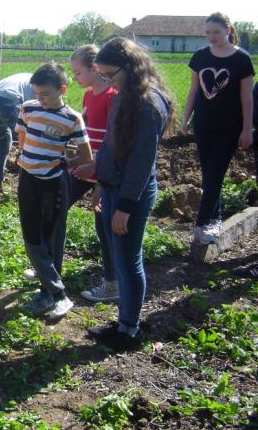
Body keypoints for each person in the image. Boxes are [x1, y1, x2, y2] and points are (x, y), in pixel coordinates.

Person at [74, 37, 174, 351]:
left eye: (108, 74)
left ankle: (129, 329)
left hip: (131, 194)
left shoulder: (147, 103)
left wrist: (126, 207)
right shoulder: (126, 95)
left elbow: (141, 162)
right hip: (114, 188)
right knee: (121, 257)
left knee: (129, 262)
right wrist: (98, 170)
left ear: (127, 68)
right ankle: (124, 319)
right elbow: (113, 144)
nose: (106, 80)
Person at [23, 46, 118, 303]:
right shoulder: (89, 96)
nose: (75, 77)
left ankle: (112, 282)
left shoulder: (112, 96)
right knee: (54, 219)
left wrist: (101, 180)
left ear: (94, 68)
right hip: (79, 170)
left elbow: (112, 140)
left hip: (101, 171)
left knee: (104, 227)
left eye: (77, 72)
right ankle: (48, 269)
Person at [16, 62, 92, 319]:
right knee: (31, 237)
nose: (40, 99)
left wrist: (62, 162)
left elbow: (85, 155)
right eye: (36, 93)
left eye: (45, 94)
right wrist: (29, 160)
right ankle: (58, 293)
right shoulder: (27, 109)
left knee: (51, 238)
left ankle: (48, 293)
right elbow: (23, 141)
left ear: (62, 89)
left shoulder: (72, 118)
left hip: (53, 184)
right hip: (27, 180)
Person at [181, 12, 255, 244]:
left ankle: (201, 226)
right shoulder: (200, 57)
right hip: (203, 125)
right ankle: (216, 217)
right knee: (209, 175)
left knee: (214, 174)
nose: (211, 37)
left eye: (216, 32)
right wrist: (185, 118)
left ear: (228, 30)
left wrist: (246, 129)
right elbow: (194, 90)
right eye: (207, 33)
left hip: (229, 127)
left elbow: (247, 99)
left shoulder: (241, 60)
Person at [0, 72, 36, 196]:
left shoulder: (24, 77)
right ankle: (28, 185)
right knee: (32, 140)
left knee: (3, 143)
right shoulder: (37, 84)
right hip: (7, 100)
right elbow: (31, 110)